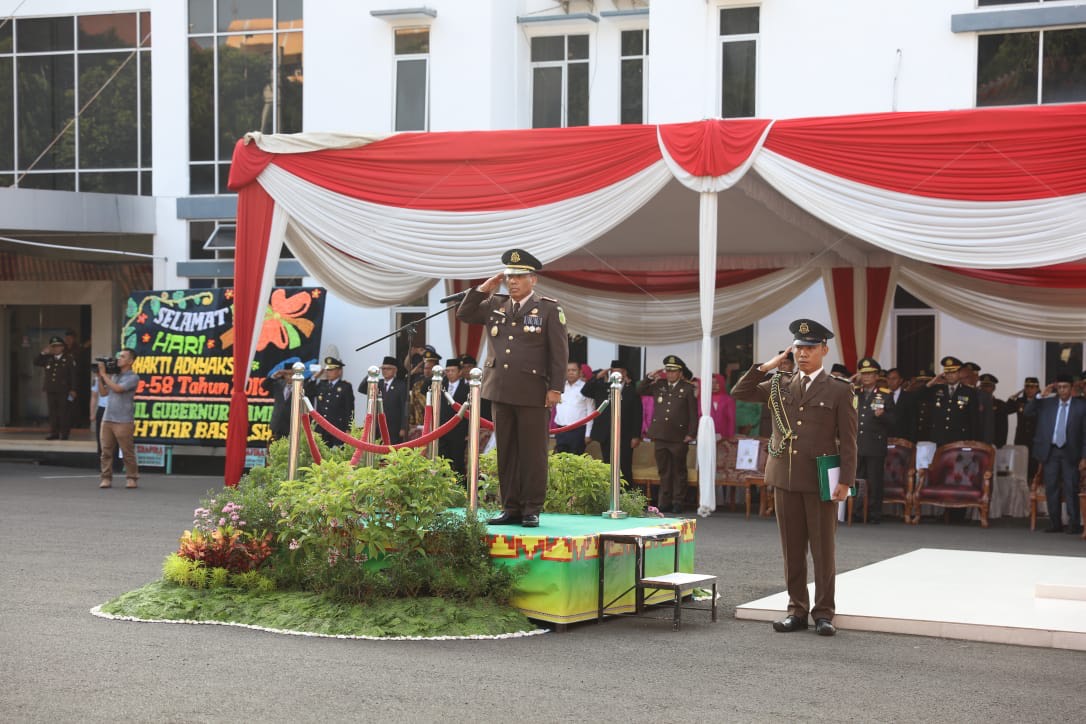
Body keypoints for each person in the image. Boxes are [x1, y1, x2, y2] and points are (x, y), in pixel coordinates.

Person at [731, 319, 857, 637]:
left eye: (810, 348)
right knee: (792, 549)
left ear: (824, 350)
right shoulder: (780, 383)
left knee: (823, 550)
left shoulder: (840, 390)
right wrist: (768, 365)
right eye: (798, 348)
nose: (803, 354)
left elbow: (850, 440)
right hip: (785, 477)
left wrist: (847, 481)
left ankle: (824, 613)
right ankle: (797, 609)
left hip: (819, 479)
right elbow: (740, 391)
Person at [456, 248, 568, 528]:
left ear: (533, 280)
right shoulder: (495, 304)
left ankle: (531, 508)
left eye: (519, 276)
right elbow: (465, 313)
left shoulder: (548, 309)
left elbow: (559, 353)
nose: (513, 282)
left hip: (533, 391)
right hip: (500, 390)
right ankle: (511, 507)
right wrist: (483, 289)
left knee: (533, 452)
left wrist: (555, 388)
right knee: (506, 451)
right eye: (509, 276)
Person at [1025, 374, 1086, 534]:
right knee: (1051, 487)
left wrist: (1084, 457)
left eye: (1065, 387)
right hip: (1050, 451)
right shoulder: (1047, 403)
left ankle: (1073, 524)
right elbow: (1027, 412)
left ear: (1071, 388)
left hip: (1070, 452)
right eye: (1059, 387)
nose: (1062, 390)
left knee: (1071, 486)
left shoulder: (1081, 406)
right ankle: (1055, 523)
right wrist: (1040, 396)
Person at [637, 355, 699, 514]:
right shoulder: (659, 385)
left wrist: (692, 433)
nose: (670, 374)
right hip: (660, 435)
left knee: (679, 470)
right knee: (664, 470)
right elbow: (639, 390)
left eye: (673, 371)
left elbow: (693, 413)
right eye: (668, 371)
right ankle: (664, 502)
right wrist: (649, 377)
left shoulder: (688, 388)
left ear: (680, 372)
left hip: (679, 436)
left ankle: (678, 501)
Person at [582, 360, 643, 487]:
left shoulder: (630, 389)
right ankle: (609, 494)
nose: (616, 374)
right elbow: (585, 391)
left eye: (619, 372)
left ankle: (626, 497)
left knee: (624, 466)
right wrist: (597, 376)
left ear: (624, 373)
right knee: (608, 465)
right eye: (613, 371)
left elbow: (637, 414)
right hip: (606, 433)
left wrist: (636, 436)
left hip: (624, 435)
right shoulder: (604, 387)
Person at [854, 357, 895, 524]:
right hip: (857, 443)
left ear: (877, 376)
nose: (866, 377)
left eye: (870, 374)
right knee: (856, 479)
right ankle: (855, 512)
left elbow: (894, 420)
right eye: (863, 374)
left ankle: (874, 513)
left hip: (875, 445)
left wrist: (883, 415)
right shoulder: (855, 393)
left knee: (875, 481)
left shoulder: (885, 395)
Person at [97, 348, 141, 489]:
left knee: (127, 451)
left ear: (130, 361)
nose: (119, 359)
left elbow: (118, 389)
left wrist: (104, 375)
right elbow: (104, 393)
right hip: (108, 417)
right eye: (118, 356)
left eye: (122, 357)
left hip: (123, 420)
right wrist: (100, 377)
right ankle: (106, 478)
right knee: (106, 451)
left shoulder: (133, 377)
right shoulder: (114, 376)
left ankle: (132, 477)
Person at [921, 356, 980, 446]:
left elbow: (974, 419)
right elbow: (918, 396)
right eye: (947, 373)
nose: (950, 375)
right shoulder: (937, 389)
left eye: (953, 372)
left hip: (960, 439)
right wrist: (931, 382)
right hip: (939, 439)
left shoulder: (969, 392)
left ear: (959, 373)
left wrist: (973, 441)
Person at [304, 356, 355, 447]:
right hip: (321, 428)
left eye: (331, 370)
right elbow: (306, 391)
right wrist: (315, 377)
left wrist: (349, 428)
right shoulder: (322, 384)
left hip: (337, 428)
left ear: (339, 371)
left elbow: (349, 409)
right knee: (320, 454)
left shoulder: (345, 387)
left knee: (336, 454)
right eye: (327, 370)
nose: (328, 372)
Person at [33, 336, 77, 440]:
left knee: (63, 412)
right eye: (53, 346)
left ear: (62, 347)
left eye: (57, 346)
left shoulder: (69, 359)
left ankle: (64, 433)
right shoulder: (48, 358)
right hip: (51, 389)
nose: (55, 348)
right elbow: (36, 362)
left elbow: (74, 375)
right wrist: (43, 353)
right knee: (53, 412)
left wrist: (73, 389)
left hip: (64, 390)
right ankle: (54, 433)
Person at [361, 356, 409, 445]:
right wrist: (371, 374)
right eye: (383, 368)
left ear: (395, 370)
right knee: (377, 451)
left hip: (394, 426)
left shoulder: (401, 385)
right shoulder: (377, 383)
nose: (385, 371)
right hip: (377, 426)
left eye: (388, 369)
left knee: (391, 452)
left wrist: (403, 427)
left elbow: (404, 407)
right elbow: (362, 389)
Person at [438, 356, 470, 479]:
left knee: (457, 461)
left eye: (453, 371)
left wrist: (467, 431)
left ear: (460, 372)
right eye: (448, 371)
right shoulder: (441, 385)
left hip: (458, 431)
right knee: (442, 461)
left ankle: (460, 489)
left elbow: (468, 412)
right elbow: (425, 388)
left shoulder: (466, 388)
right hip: (442, 430)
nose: (450, 373)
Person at [553, 361, 593, 455]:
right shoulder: (559, 387)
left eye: (573, 370)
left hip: (577, 431)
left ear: (580, 372)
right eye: (568, 370)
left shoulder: (586, 387)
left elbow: (591, 412)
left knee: (576, 461)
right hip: (561, 429)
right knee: (560, 461)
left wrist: (588, 434)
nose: (570, 372)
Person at [1010, 376, 1042, 482]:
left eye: (1032, 387)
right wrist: (1013, 397)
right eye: (1027, 387)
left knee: (1034, 468)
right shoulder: (1020, 401)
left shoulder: (1042, 402)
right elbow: (1006, 409)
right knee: (1020, 467)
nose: (1029, 390)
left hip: (1036, 439)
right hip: (1021, 439)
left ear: (1037, 388)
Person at [260, 367, 295, 441]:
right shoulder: (278, 384)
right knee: (275, 447)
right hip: (277, 423)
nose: (290, 377)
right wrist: (274, 376)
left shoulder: (300, 387)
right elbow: (264, 385)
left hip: (291, 424)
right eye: (287, 374)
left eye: (291, 374)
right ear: (284, 375)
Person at [978, 373, 1009, 449]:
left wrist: (1000, 444)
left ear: (994, 388)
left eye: (988, 386)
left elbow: (1003, 428)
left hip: (994, 444)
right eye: (983, 386)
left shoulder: (1000, 405)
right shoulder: (975, 403)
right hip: (978, 442)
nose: (985, 388)